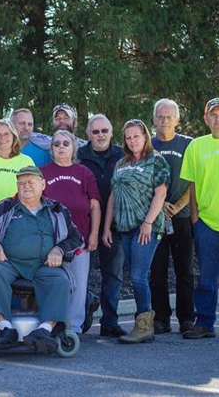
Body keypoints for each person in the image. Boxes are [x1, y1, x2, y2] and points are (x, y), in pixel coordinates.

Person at [0, 166, 84, 353]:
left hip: (45, 264)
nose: (26, 186)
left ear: (43, 184)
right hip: (10, 263)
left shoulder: (57, 210)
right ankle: (5, 328)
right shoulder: (4, 207)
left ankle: (44, 330)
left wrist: (59, 249)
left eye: (31, 181)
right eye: (22, 182)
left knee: (60, 279)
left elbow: (76, 239)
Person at [103, 119, 169, 344]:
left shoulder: (155, 160)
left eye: (136, 136)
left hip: (147, 228)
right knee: (135, 276)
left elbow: (161, 194)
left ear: (145, 136)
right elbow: (113, 195)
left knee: (138, 276)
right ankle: (144, 325)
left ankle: (144, 327)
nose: (132, 141)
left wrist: (148, 223)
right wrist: (106, 228)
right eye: (128, 137)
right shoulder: (121, 163)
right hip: (124, 228)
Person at [180, 97, 219, 339]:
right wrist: (195, 220)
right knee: (207, 278)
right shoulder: (196, 147)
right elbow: (192, 185)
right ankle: (205, 323)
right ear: (206, 119)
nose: (218, 117)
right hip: (206, 224)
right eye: (213, 114)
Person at [41, 130, 101, 334]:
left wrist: (93, 234)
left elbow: (94, 206)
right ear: (52, 149)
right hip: (50, 242)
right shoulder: (43, 172)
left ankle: (73, 328)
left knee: (78, 285)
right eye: (56, 144)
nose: (61, 147)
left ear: (73, 148)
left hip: (79, 240)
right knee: (53, 284)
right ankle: (51, 325)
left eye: (65, 143)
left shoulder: (84, 173)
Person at [78, 114, 127, 337]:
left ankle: (109, 322)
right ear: (88, 134)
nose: (100, 135)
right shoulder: (79, 155)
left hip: (115, 225)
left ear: (111, 132)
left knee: (113, 275)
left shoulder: (122, 155)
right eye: (95, 131)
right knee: (81, 277)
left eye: (104, 131)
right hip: (83, 225)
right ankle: (80, 320)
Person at [150, 99, 194, 335]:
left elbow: (196, 180)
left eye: (169, 117)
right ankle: (161, 319)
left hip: (181, 216)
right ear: (154, 119)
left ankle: (187, 318)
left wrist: (178, 205)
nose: (165, 121)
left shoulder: (188, 144)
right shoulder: (147, 145)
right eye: (160, 116)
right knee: (157, 271)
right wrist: (159, 204)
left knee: (184, 270)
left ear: (177, 120)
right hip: (154, 218)